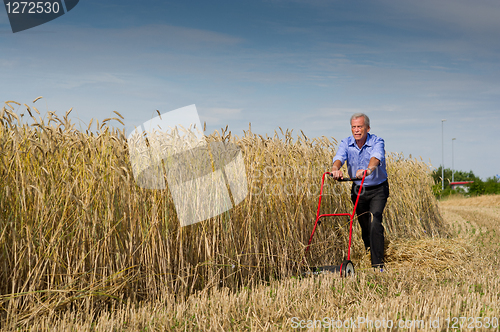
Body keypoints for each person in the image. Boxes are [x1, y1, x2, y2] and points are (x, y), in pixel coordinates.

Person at [330, 113, 389, 269]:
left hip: (378, 188)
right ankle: (369, 250)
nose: (356, 130)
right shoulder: (346, 142)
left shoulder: (377, 141)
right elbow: (339, 157)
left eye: (360, 127)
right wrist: (335, 169)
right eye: (354, 127)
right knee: (365, 225)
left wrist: (368, 170)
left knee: (375, 219)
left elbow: (376, 157)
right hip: (358, 189)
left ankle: (378, 264)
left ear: (367, 128)